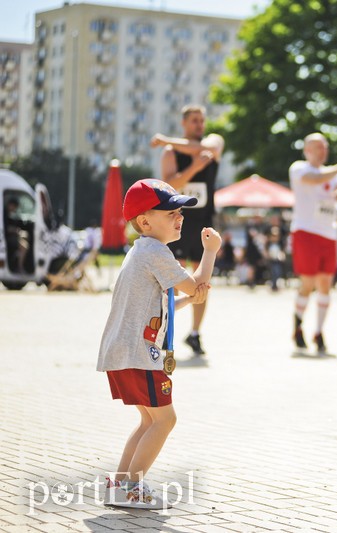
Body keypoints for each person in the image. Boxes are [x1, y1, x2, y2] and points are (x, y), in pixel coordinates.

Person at [97, 179, 221, 507]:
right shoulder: (155, 251)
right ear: (145, 221)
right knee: (165, 420)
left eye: (179, 211)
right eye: (170, 212)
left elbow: (163, 301)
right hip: (139, 354)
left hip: (124, 352)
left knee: (150, 420)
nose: (179, 216)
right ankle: (131, 489)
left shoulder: (142, 250)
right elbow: (196, 285)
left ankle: (121, 485)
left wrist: (187, 302)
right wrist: (210, 252)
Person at [151, 104, 225, 357]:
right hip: (177, 224)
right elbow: (170, 186)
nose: (199, 125)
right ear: (184, 123)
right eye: (194, 121)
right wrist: (195, 167)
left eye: (202, 120)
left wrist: (164, 140)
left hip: (204, 222)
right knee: (171, 279)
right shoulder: (171, 152)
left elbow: (210, 149)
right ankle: (165, 329)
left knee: (203, 279)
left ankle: (195, 333)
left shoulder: (213, 142)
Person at [289, 132, 337, 353]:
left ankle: (319, 332)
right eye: (318, 147)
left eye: (325, 146)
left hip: (329, 234)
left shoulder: (333, 174)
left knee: (326, 285)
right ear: (307, 150)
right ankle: (298, 323)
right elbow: (314, 180)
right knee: (308, 282)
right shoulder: (300, 168)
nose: (323, 151)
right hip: (306, 231)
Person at [3, 197, 30, 273]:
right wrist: (16, 231)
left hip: (10, 236)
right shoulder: (4, 213)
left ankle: (17, 256)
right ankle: (19, 267)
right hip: (6, 238)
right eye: (15, 207)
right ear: (11, 205)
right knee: (24, 246)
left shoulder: (7, 213)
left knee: (26, 236)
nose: (15, 210)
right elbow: (6, 228)